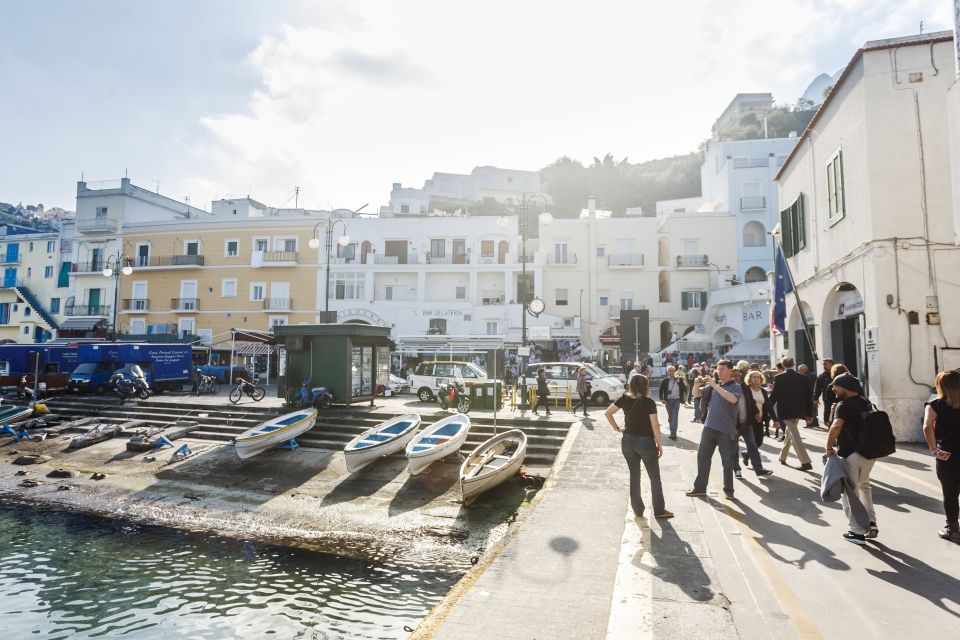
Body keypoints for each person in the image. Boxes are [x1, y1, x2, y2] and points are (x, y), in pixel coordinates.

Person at [605, 374, 672, 520]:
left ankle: (638, 510)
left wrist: (616, 428)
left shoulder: (624, 398)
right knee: (654, 477)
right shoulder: (648, 402)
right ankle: (659, 511)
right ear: (645, 386)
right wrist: (659, 444)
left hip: (627, 441)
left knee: (634, 476)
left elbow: (608, 413)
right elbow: (655, 425)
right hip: (645, 442)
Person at [825, 372, 878, 544]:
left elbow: (836, 426)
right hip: (869, 454)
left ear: (845, 388)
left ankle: (857, 532)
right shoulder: (865, 402)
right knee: (865, 487)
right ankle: (871, 523)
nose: (833, 389)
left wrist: (828, 447)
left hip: (851, 455)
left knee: (850, 493)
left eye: (836, 386)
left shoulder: (844, 405)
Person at [687, 360, 741, 499]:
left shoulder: (735, 387)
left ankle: (729, 491)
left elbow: (733, 400)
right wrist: (696, 384)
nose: (719, 371)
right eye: (718, 369)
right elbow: (696, 395)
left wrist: (715, 385)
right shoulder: (713, 386)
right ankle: (699, 488)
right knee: (703, 458)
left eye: (722, 369)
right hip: (709, 428)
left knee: (727, 462)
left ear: (730, 371)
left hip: (726, 430)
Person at [923, 370, 960, 541]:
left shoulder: (935, 404)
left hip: (947, 455)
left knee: (950, 494)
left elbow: (927, 426)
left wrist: (934, 450)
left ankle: (953, 530)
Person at [769, 356, 815, 471]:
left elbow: (774, 395)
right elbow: (809, 397)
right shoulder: (803, 378)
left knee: (794, 435)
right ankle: (782, 456)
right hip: (800, 410)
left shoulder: (779, 378)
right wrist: (810, 414)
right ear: (794, 364)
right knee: (791, 431)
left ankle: (805, 462)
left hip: (785, 410)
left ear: (783, 365)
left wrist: (767, 409)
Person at [734, 369, 775, 479]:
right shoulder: (725, 388)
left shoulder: (745, 388)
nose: (737, 378)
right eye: (734, 376)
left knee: (753, 445)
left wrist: (756, 412)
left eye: (738, 376)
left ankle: (759, 469)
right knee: (734, 448)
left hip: (747, 422)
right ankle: (737, 470)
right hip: (732, 424)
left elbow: (751, 402)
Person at [658, 365, 687, 440]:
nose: (671, 372)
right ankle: (672, 430)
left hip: (676, 400)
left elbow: (684, 388)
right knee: (671, 416)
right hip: (668, 401)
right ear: (667, 372)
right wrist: (661, 399)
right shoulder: (665, 380)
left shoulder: (679, 379)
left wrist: (679, 382)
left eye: (672, 370)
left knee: (674, 416)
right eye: (669, 371)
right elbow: (661, 390)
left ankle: (673, 434)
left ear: (674, 371)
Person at [813, 358, 836, 428]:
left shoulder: (838, 374)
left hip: (840, 399)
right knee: (828, 419)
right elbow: (817, 388)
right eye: (823, 365)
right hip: (828, 401)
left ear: (832, 364)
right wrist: (815, 398)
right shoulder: (822, 376)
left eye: (826, 364)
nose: (824, 366)